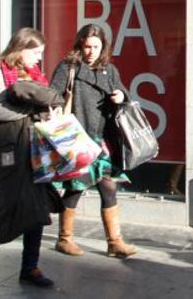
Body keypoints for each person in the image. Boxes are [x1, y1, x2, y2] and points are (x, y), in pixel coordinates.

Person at [0, 28, 65, 288]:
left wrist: (46, 107)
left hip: (35, 144)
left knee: (38, 205)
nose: (38, 58)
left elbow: (48, 103)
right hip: (10, 146)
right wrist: (36, 106)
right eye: (35, 52)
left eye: (41, 53)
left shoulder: (35, 75)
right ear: (19, 49)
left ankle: (30, 267)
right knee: (12, 203)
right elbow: (0, 111)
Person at [50, 24, 136, 258]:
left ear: (103, 47)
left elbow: (123, 93)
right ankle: (64, 239)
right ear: (80, 44)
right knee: (75, 188)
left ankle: (114, 242)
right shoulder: (68, 67)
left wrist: (121, 96)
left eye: (96, 46)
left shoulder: (109, 69)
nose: (91, 51)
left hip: (103, 138)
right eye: (87, 46)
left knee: (109, 187)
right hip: (78, 136)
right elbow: (54, 94)